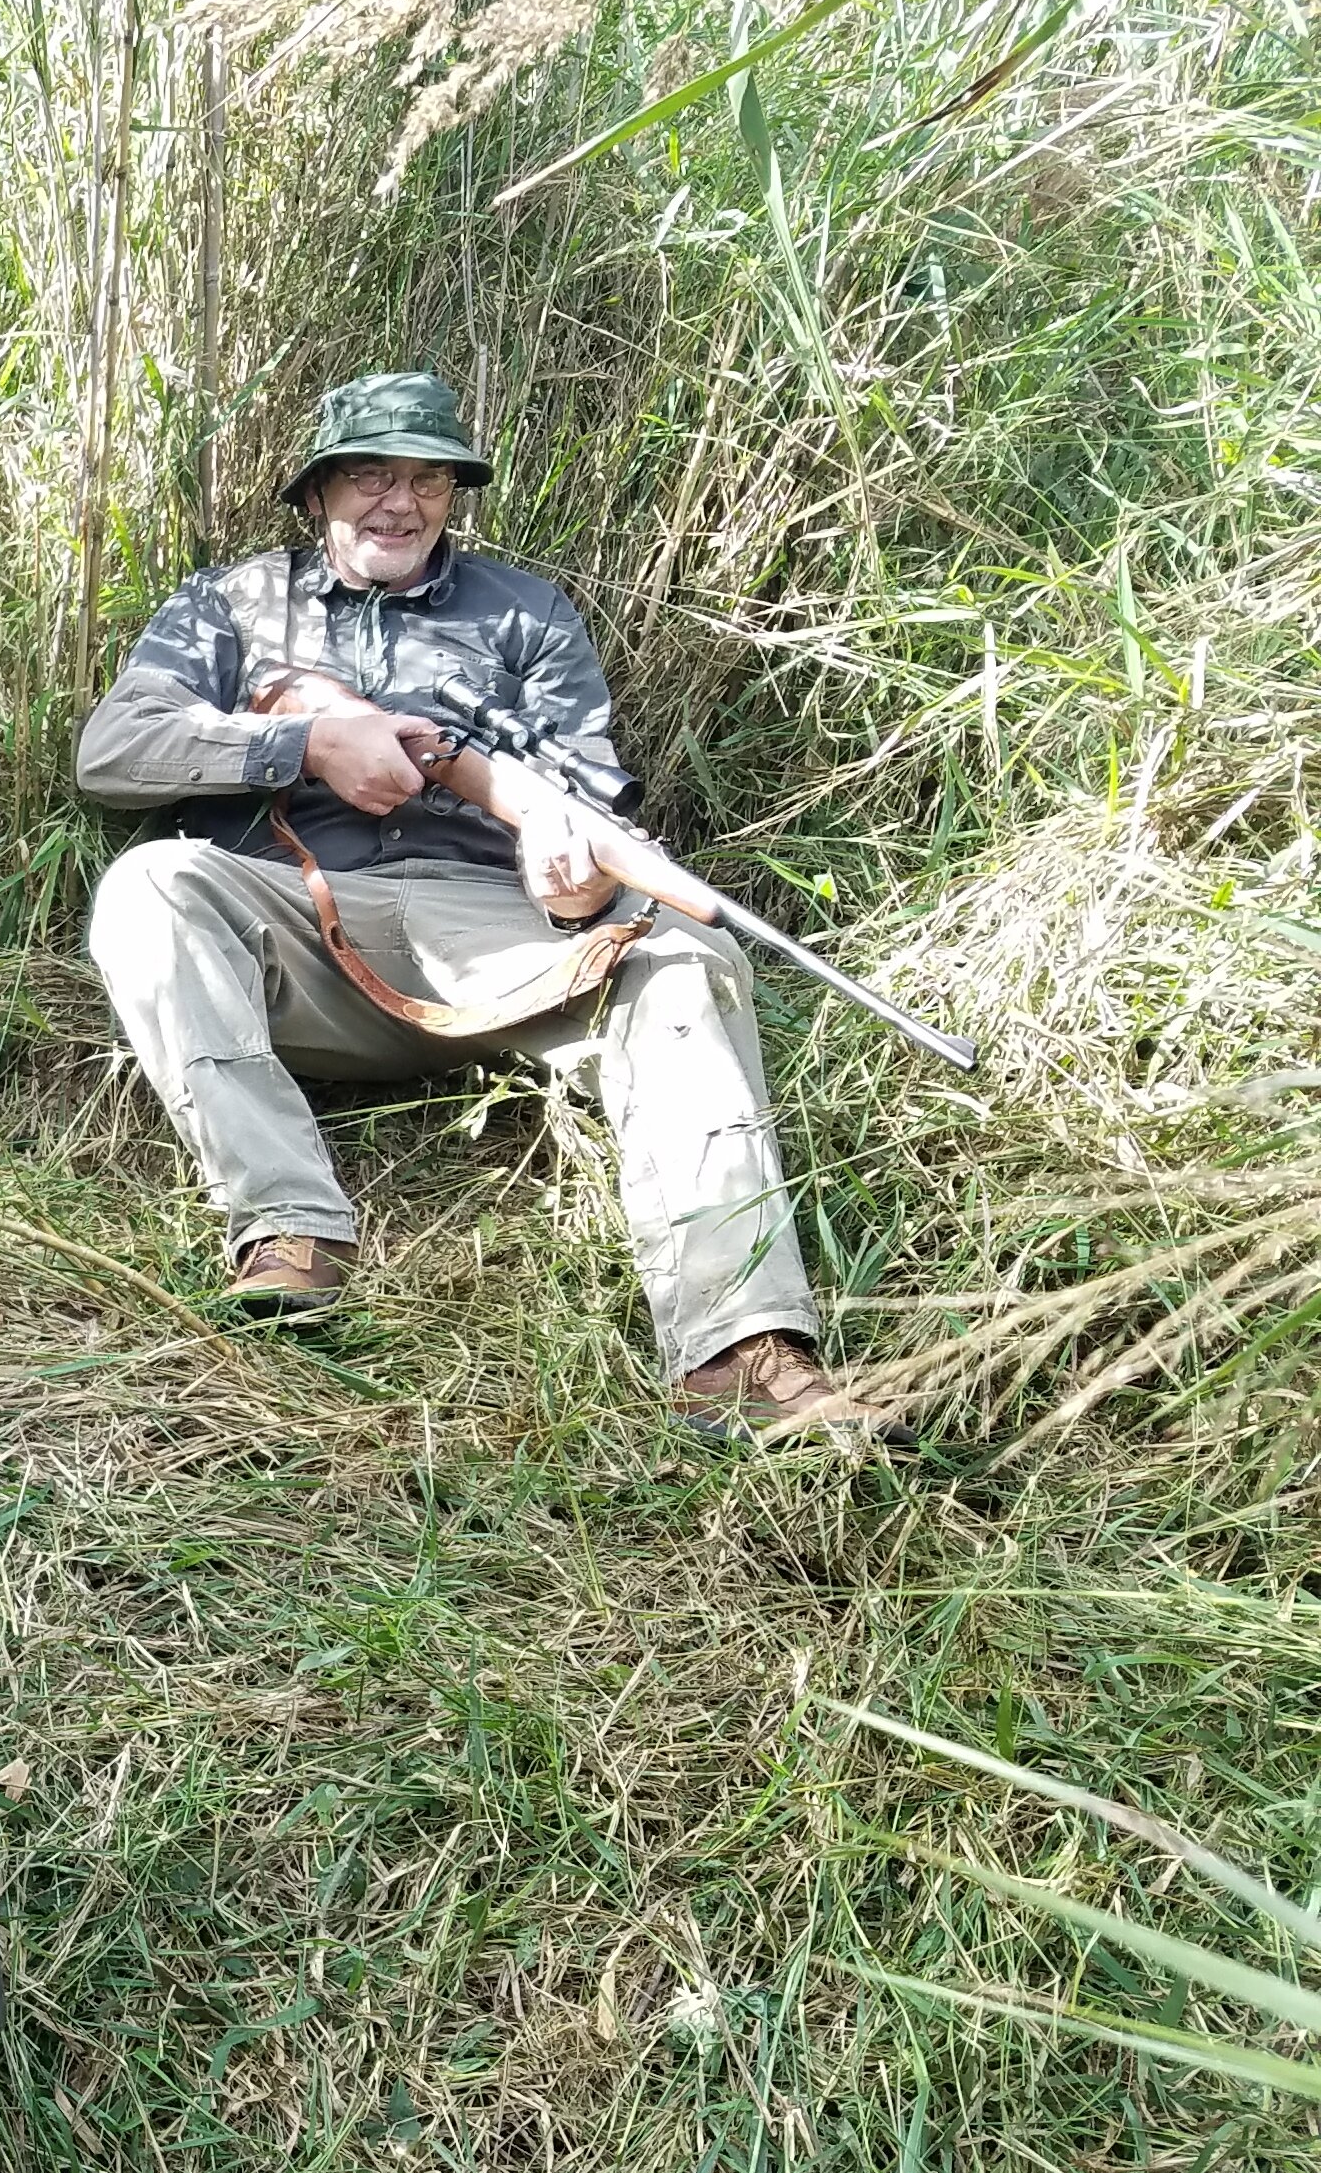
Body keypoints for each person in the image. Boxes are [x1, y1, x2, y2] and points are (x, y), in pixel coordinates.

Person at [75, 370, 886, 1435]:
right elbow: (113, 750)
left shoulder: (528, 615)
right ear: (317, 490)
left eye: (429, 480)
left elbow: (585, 803)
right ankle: (288, 1228)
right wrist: (300, 741)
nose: (399, 503)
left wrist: (576, 883)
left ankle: (737, 1344)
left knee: (685, 955)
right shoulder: (230, 604)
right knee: (147, 886)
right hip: (294, 930)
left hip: (498, 934)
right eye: (371, 474)